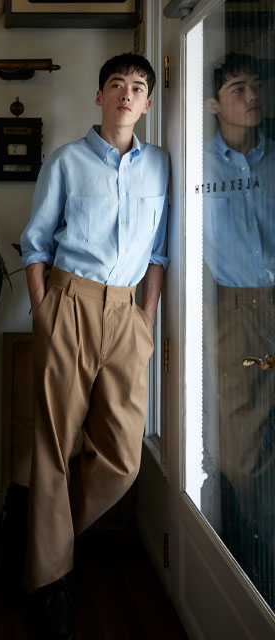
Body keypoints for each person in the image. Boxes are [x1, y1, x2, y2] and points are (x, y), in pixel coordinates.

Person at [19, 52, 170, 639]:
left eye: (138, 87)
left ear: (148, 103)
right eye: (116, 85)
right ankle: (48, 581)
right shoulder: (65, 162)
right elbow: (36, 243)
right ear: (100, 96)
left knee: (123, 459)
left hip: (128, 315)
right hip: (68, 305)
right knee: (54, 444)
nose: (126, 94)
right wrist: (43, 311)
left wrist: (146, 318)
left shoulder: (161, 166)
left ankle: (39, 532)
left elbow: (159, 253)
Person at [202, 52, 275, 608]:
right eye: (238, 89)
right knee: (240, 446)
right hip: (234, 309)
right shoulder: (198, 165)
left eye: (256, 86)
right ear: (213, 105)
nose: (252, 96)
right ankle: (263, 550)